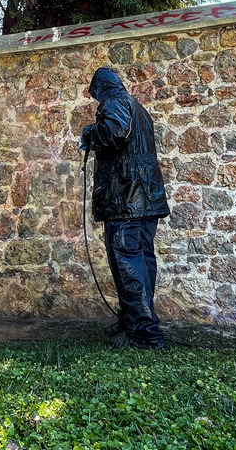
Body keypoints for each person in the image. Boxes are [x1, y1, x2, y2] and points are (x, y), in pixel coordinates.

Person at [81, 66, 170, 350]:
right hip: (146, 199)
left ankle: (144, 334)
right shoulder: (138, 108)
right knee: (142, 261)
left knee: (128, 262)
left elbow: (114, 132)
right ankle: (134, 321)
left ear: (101, 89)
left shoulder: (114, 102)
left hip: (126, 201)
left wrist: (90, 133)